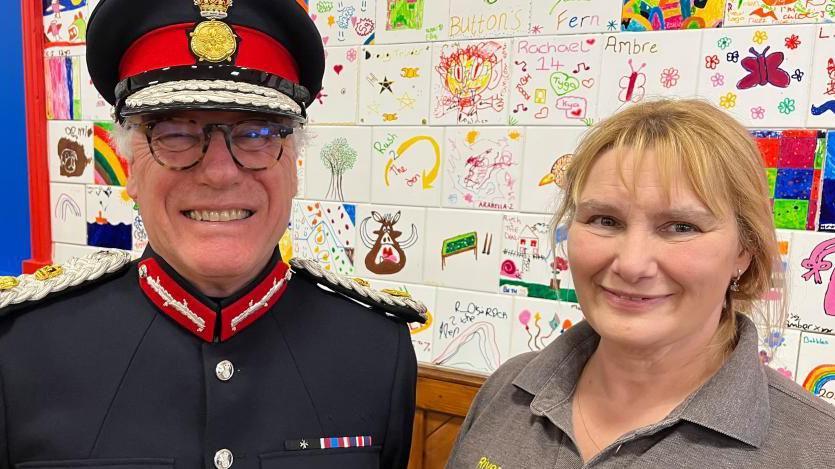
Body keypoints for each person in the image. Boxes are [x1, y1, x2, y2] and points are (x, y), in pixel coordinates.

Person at [0, 1, 426, 468]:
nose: (220, 173)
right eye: (175, 133)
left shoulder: (375, 351)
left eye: (258, 132)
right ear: (129, 167)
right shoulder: (21, 351)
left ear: (295, 166)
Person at [446, 99, 835, 468]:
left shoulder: (816, 448)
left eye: (681, 227)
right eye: (604, 220)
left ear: (744, 250)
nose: (632, 265)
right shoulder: (508, 390)